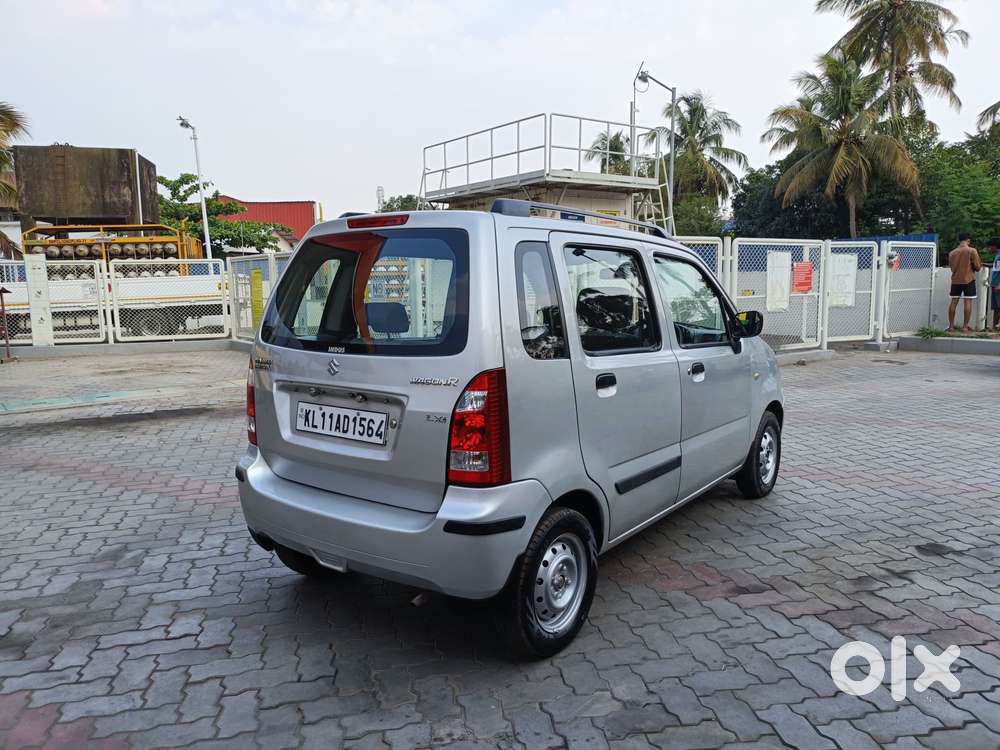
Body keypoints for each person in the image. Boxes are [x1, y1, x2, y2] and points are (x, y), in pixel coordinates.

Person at [948, 233, 982, 333]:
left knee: (954, 301)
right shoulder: (972, 250)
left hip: (956, 280)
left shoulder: (952, 253)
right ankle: (965, 327)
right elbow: (978, 267)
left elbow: (951, 268)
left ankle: (951, 326)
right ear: (968, 240)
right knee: (968, 302)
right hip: (969, 279)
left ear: (958, 240)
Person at [989, 237, 1000, 331]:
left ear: (995, 246)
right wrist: (982, 264)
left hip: (998, 285)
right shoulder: (997, 255)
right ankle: (994, 327)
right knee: (996, 308)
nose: (989, 249)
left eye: (990, 246)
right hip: (994, 284)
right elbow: (995, 267)